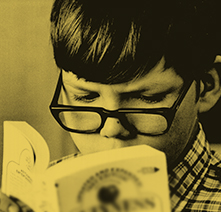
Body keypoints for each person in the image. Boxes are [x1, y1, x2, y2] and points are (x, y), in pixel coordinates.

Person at [1, 0, 221, 211]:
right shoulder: (40, 196)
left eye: (147, 98)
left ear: (206, 87)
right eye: (85, 97)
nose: (112, 128)